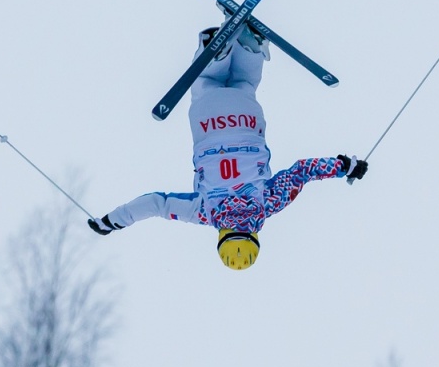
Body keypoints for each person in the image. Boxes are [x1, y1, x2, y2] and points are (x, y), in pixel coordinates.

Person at [88, 21, 368, 270]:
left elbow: (303, 171)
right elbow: (156, 204)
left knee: (245, 85)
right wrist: (114, 221)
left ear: (255, 237)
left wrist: (345, 167)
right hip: (208, 124)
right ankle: (215, 53)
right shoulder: (204, 212)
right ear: (221, 238)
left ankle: (250, 46)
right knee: (207, 83)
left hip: (246, 121)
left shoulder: (269, 203)